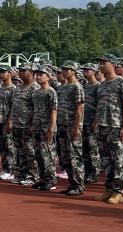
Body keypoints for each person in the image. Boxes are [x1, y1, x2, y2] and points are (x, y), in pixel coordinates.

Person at [93, 55, 123, 205]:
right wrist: (96, 122)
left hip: (116, 126)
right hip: (103, 126)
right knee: (106, 160)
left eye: (104, 63)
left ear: (113, 64)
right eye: (100, 63)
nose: (101, 65)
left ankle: (118, 191)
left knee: (118, 159)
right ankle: (109, 189)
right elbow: (100, 105)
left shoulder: (122, 82)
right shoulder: (102, 85)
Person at [55, 63, 85, 197]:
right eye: (63, 69)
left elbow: (80, 109)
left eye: (67, 69)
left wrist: (76, 127)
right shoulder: (61, 88)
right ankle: (72, 184)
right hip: (62, 124)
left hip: (72, 126)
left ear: (73, 71)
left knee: (75, 157)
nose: (64, 71)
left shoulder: (77, 87)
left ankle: (79, 185)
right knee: (65, 157)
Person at [29, 65, 58, 190]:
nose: (38, 77)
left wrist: (51, 129)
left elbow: (54, 111)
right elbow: (34, 110)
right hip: (37, 126)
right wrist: (32, 125)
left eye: (42, 75)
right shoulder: (36, 92)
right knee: (38, 154)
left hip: (46, 128)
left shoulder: (51, 92)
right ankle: (42, 178)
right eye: (37, 75)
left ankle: (50, 179)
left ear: (48, 77)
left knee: (48, 155)